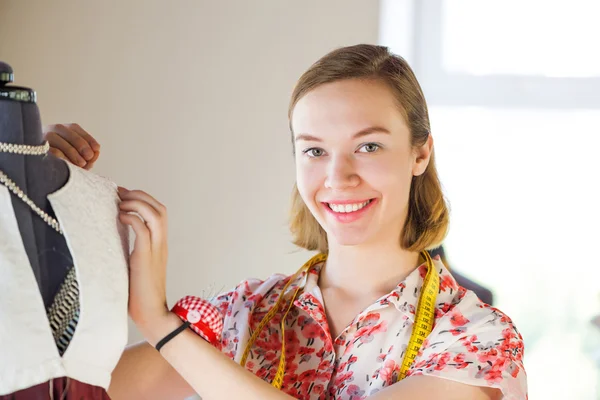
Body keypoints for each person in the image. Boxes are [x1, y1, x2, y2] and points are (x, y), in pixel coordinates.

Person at [44, 44, 527, 400]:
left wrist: (161, 325)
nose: (338, 177)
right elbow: (58, 393)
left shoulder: (474, 336)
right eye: (315, 150)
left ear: (420, 152)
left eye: (369, 146)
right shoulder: (244, 315)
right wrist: (38, 184)